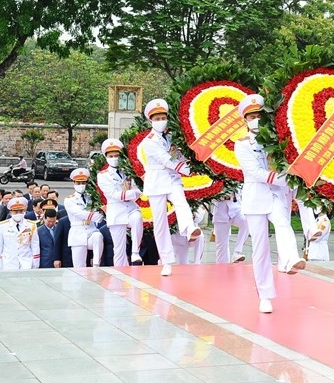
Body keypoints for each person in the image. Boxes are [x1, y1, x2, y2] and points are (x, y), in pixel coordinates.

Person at [235, 94, 305, 314]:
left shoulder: (275, 139)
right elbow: (254, 172)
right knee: (261, 248)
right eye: (252, 116)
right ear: (245, 120)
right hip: (256, 196)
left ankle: (291, 258)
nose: (256, 119)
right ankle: (265, 295)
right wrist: (285, 178)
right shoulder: (241, 144)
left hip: (275, 194)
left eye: (259, 115)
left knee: (283, 223)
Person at [139, 98, 201, 276]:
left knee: (181, 202)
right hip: (157, 180)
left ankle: (189, 229)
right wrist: (187, 170)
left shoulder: (172, 137)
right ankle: (166, 261)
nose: (161, 121)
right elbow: (166, 159)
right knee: (160, 223)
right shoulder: (149, 141)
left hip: (172, 178)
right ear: (151, 121)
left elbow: (179, 156)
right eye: (157, 118)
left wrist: (194, 165)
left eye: (163, 117)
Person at [96, 138, 144, 267]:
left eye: (116, 155)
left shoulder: (128, 170)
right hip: (116, 212)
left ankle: (135, 252)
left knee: (137, 218)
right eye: (111, 156)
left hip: (130, 207)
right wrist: (132, 193)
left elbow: (139, 187)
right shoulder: (103, 175)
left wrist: (135, 192)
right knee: (119, 249)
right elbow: (113, 195)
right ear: (106, 157)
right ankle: (120, 273)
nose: (114, 158)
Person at [64, 168, 104, 268]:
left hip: (91, 229)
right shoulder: (69, 200)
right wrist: (98, 216)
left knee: (98, 236)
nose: (81, 185)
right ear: (73, 183)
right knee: (79, 266)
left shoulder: (92, 197)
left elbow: (99, 208)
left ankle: (96, 264)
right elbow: (80, 213)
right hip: (77, 232)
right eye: (78, 183)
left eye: (83, 183)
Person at [0, 197, 39, 270]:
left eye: (21, 211)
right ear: (10, 212)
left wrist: (36, 264)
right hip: (9, 262)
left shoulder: (31, 225)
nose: (18, 213)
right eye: (15, 211)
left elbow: (35, 245)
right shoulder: (3, 225)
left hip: (26, 262)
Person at [211, 192, 249, 263]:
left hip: (236, 209)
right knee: (222, 248)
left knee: (246, 222)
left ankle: (237, 252)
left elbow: (241, 190)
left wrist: (231, 195)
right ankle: (222, 270)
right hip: (220, 212)